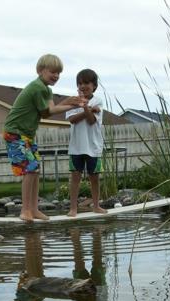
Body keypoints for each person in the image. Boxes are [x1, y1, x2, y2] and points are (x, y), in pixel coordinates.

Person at [4, 54, 86, 223]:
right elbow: (48, 112)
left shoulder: (46, 90)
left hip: (26, 134)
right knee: (30, 169)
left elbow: (49, 110)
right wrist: (73, 103)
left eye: (59, 73)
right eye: (53, 72)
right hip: (15, 133)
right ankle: (25, 210)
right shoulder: (37, 88)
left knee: (35, 169)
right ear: (41, 71)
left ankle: (34, 209)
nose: (56, 76)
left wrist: (69, 101)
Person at [66, 68, 107, 217]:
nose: (83, 86)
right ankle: (73, 208)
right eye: (80, 83)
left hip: (93, 147)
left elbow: (91, 121)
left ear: (94, 86)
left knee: (94, 178)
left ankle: (96, 205)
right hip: (76, 147)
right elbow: (72, 120)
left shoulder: (98, 101)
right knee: (75, 177)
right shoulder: (73, 101)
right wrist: (87, 109)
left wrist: (86, 109)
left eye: (86, 83)